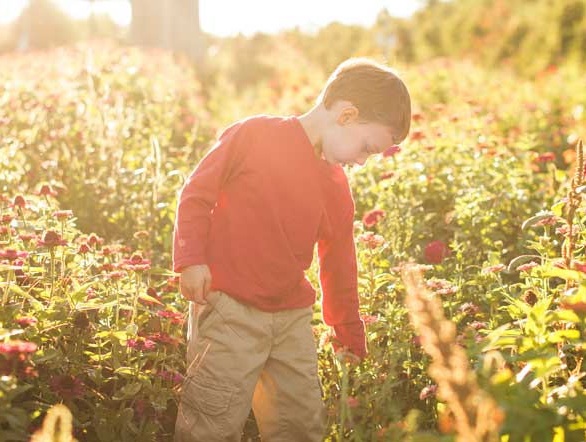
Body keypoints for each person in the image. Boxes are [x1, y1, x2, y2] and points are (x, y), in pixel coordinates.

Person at [171, 57, 412, 442]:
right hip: (228, 309)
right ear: (347, 115)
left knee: (299, 424)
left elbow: (339, 261)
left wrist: (347, 330)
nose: (362, 161)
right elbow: (196, 194)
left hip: (291, 319)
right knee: (211, 424)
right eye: (367, 147)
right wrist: (191, 259)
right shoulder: (254, 136)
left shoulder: (335, 186)